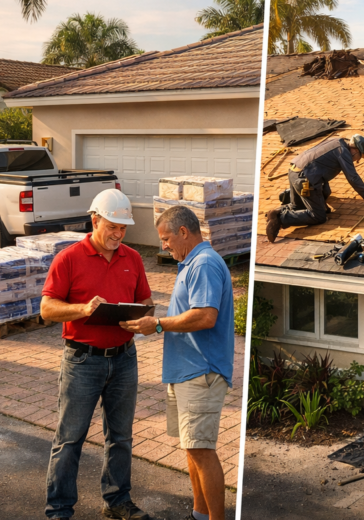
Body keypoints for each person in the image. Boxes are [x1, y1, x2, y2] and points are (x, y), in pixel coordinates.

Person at [41, 189, 153, 520]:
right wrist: (82, 309)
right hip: (82, 361)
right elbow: (47, 308)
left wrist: (145, 318)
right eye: (112, 227)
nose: (118, 235)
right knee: (70, 439)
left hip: (123, 358)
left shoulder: (132, 258)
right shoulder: (69, 258)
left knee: (120, 437)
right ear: (95, 221)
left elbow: (146, 301)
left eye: (123, 229)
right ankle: (59, 509)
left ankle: (117, 501)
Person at [122, 206, 235, 520]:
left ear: (184, 232)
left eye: (167, 238)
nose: (164, 245)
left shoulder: (204, 264)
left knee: (201, 450)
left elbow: (205, 316)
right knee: (191, 447)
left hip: (201, 372)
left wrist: (158, 325)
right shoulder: (190, 264)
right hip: (186, 372)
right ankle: (199, 514)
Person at [265, 134, 364, 241]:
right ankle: (280, 219)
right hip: (306, 180)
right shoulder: (344, 153)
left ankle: (278, 211)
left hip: (294, 172)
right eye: (358, 158)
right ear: (355, 151)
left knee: (298, 207)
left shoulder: (337, 142)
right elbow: (353, 178)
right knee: (318, 216)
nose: (356, 161)